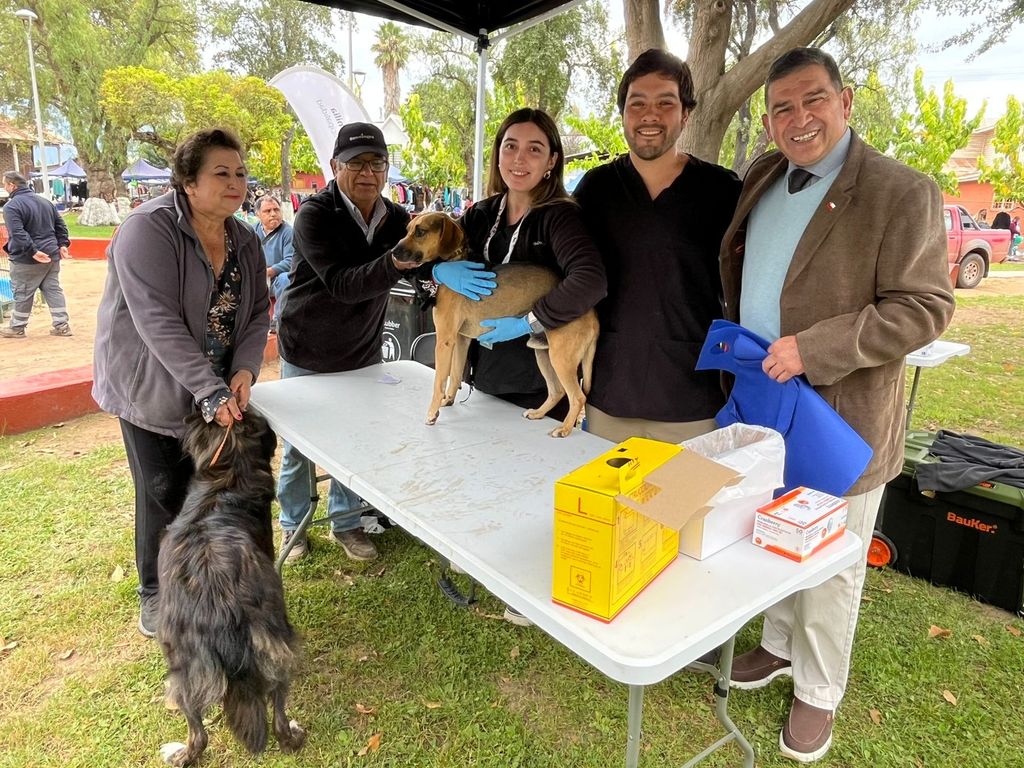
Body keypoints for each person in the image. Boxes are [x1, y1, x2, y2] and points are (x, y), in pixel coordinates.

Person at [719, 48, 955, 762]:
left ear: (845, 102)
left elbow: (924, 308)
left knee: (831, 559)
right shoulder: (762, 175)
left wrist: (813, 350)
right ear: (767, 122)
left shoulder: (900, 190)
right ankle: (780, 646)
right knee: (775, 530)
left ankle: (818, 693)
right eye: (783, 107)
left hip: (841, 416)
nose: (799, 118)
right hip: (763, 399)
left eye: (813, 100)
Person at [92, 128, 271, 638]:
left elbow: (257, 311)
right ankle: (154, 591)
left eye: (240, 173)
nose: (236, 182)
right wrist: (210, 390)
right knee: (160, 488)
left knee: (204, 488)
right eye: (221, 173)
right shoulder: (147, 230)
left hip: (211, 386)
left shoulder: (245, 239)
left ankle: (202, 584)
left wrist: (243, 370)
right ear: (188, 182)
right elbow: (157, 321)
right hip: (148, 384)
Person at [430, 107, 607, 624]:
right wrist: (440, 268)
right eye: (510, 145)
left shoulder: (561, 217)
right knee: (483, 479)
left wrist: (533, 319)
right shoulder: (482, 213)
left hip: (534, 381)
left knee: (531, 488)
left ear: (552, 160)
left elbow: (590, 281)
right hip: (484, 378)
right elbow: (431, 260)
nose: (520, 158)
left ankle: (526, 588)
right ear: (497, 153)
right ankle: (488, 564)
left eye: (534, 148)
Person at [573, 49, 742, 444]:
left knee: (686, 507)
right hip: (608, 397)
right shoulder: (595, 191)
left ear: (685, 114)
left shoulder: (722, 191)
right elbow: (562, 274)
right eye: (638, 104)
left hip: (693, 402)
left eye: (665, 102)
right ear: (623, 114)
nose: (650, 115)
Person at [276, 122, 419, 563]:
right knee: (300, 446)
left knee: (354, 442)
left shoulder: (397, 219)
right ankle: (293, 526)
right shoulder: (315, 215)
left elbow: (421, 266)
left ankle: (347, 523)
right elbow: (342, 284)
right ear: (335, 166)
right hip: (306, 348)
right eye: (356, 163)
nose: (367, 173)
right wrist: (399, 260)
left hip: (362, 351)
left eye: (377, 163)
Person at [0, 171, 73, 338]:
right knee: (53, 289)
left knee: (23, 291)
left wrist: (33, 251)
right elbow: (60, 224)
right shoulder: (45, 202)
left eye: (5, 184)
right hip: (52, 255)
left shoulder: (12, 207)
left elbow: (18, 234)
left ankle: (17, 327)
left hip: (27, 258)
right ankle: (62, 325)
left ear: (12, 185)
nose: (4, 187)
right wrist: (62, 244)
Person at [254, 194, 293, 333]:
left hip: (277, 280)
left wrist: (269, 272)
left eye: (276, 210)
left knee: (285, 278)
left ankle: (278, 319)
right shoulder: (252, 232)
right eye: (267, 211)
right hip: (258, 279)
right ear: (258, 214)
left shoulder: (288, 232)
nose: (273, 214)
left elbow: (291, 261)